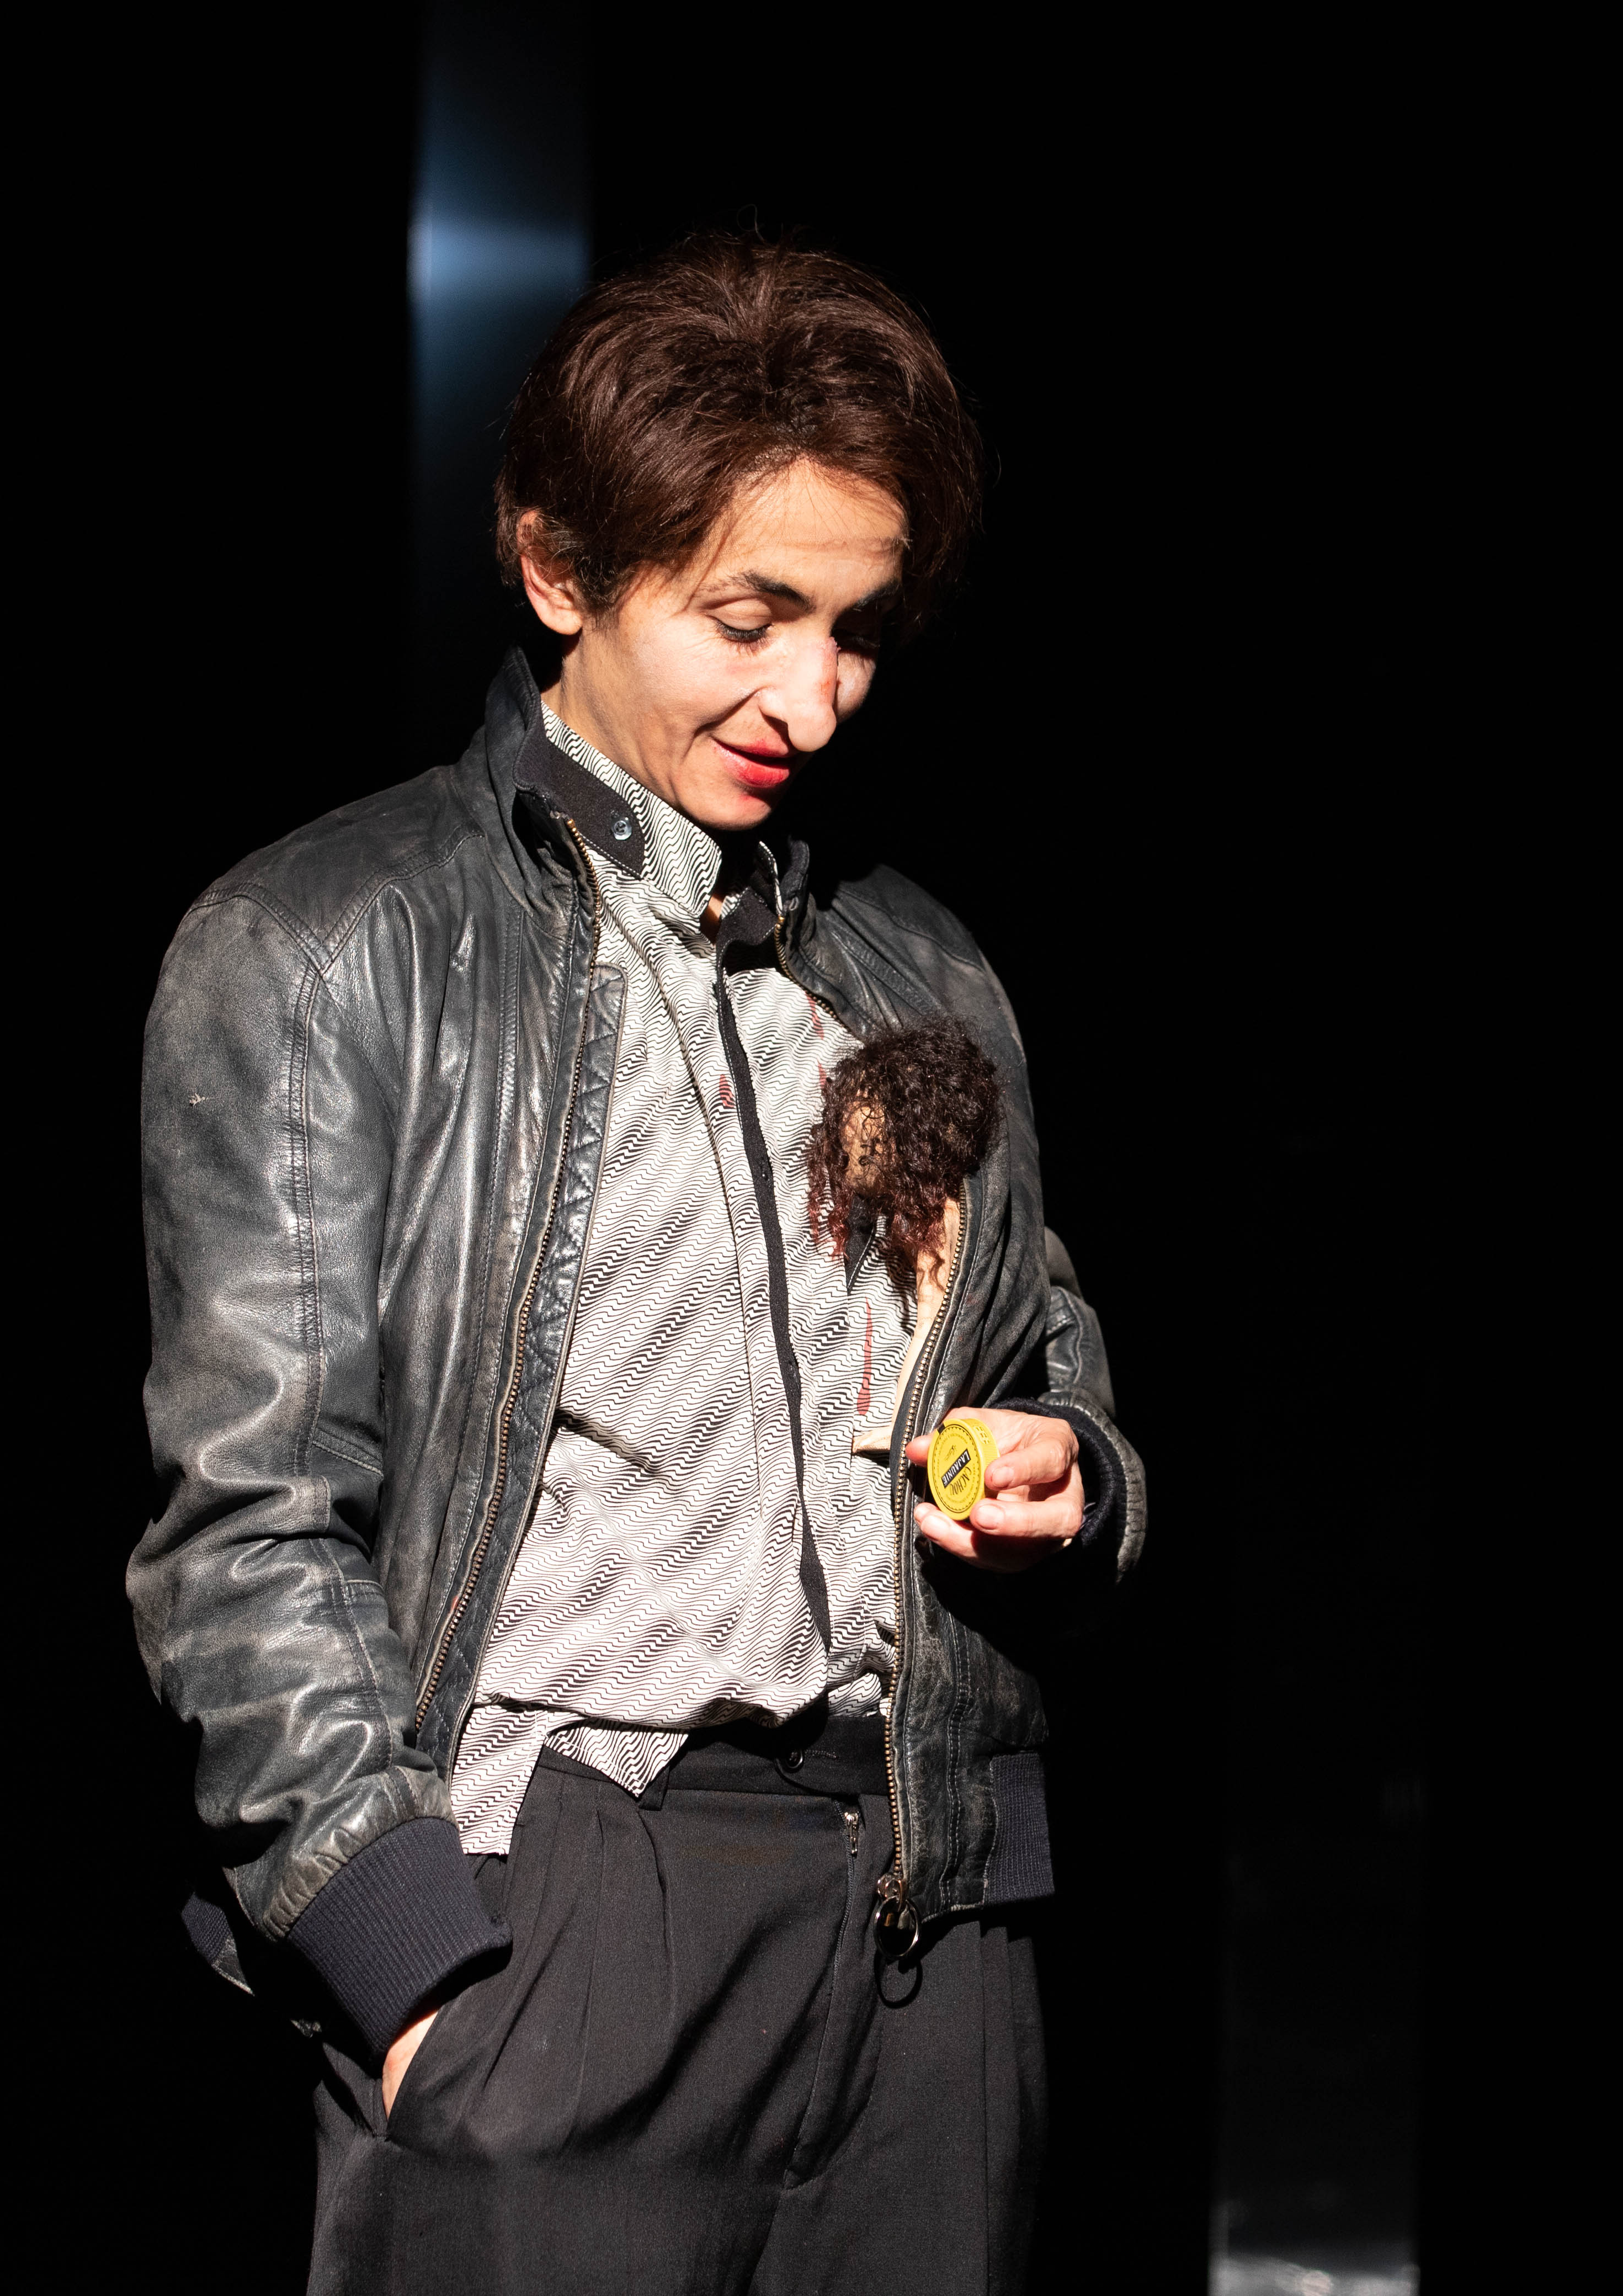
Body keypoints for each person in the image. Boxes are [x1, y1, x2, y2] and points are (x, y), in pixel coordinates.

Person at [129, 235, 1146, 2295]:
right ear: (558, 568)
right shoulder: (331, 943)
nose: (814, 700)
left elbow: (1052, 1362)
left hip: (927, 1935)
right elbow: (249, 1529)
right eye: (749, 620)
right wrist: (414, 1979)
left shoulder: (917, 963)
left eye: (858, 633)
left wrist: (1071, 1473)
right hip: (559, 1913)